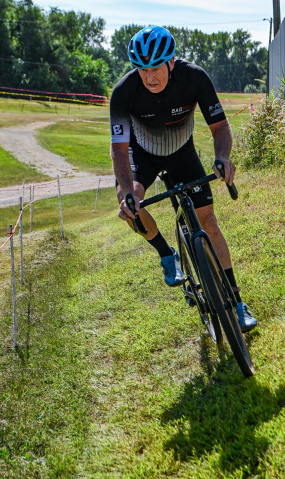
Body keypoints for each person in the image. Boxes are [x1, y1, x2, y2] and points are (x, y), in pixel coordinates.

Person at [109, 25, 257, 332]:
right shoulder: (124, 92)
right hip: (141, 154)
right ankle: (166, 253)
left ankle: (236, 301)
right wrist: (127, 190)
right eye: (143, 69)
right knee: (128, 201)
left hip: (181, 152)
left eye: (156, 68)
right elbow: (119, 149)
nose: (149, 77)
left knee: (209, 222)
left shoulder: (194, 77)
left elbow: (220, 126)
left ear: (171, 62)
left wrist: (223, 157)